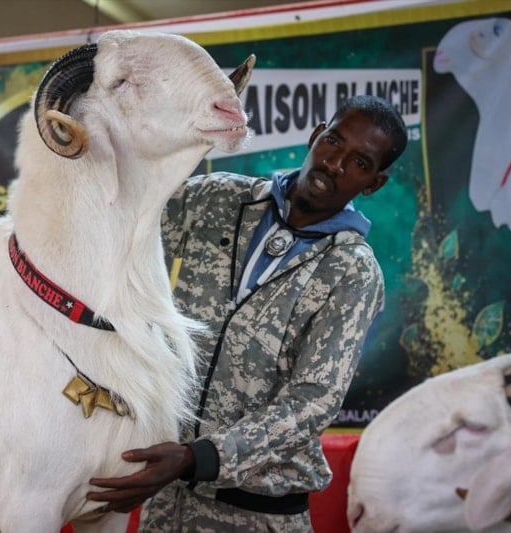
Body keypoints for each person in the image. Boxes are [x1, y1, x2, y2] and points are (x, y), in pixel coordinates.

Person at [85, 94, 409, 532]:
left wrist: (198, 458)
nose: (335, 164)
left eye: (359, 163)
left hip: (257, 515)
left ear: (374, 183)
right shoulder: (220, 198)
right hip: (166, 504)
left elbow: (312, 401)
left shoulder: (353, 272)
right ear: (316, 135)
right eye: (334, 141)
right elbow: (123, 220)